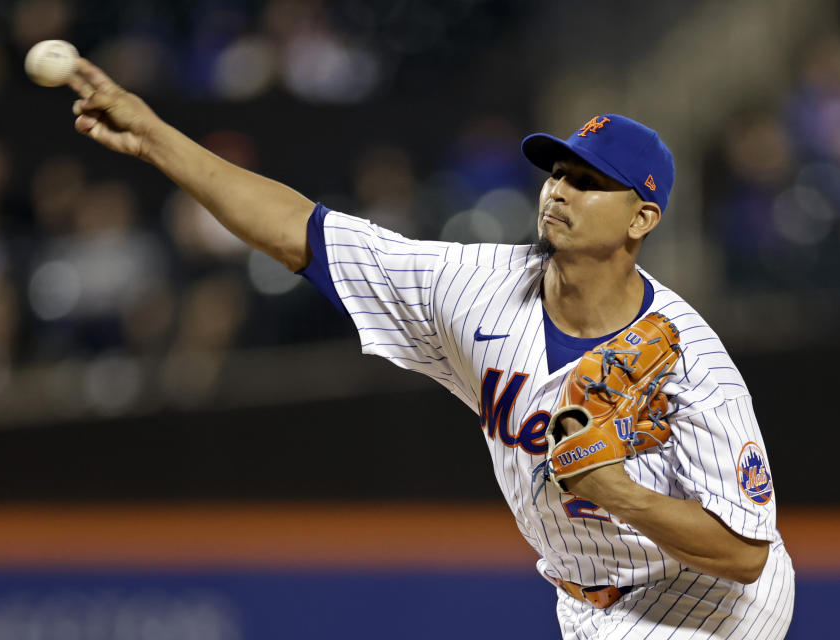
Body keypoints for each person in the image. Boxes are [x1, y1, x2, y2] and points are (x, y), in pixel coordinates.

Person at [67, 59, 795, 639]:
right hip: (583, 600)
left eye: (588, 182)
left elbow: (743, 554)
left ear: (642, 217)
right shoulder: (474, 286)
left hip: (707, 607)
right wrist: (155, 137)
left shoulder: (692, 364)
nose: (559, 191)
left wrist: (616, 492)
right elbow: (299, 230)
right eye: (558, 172)